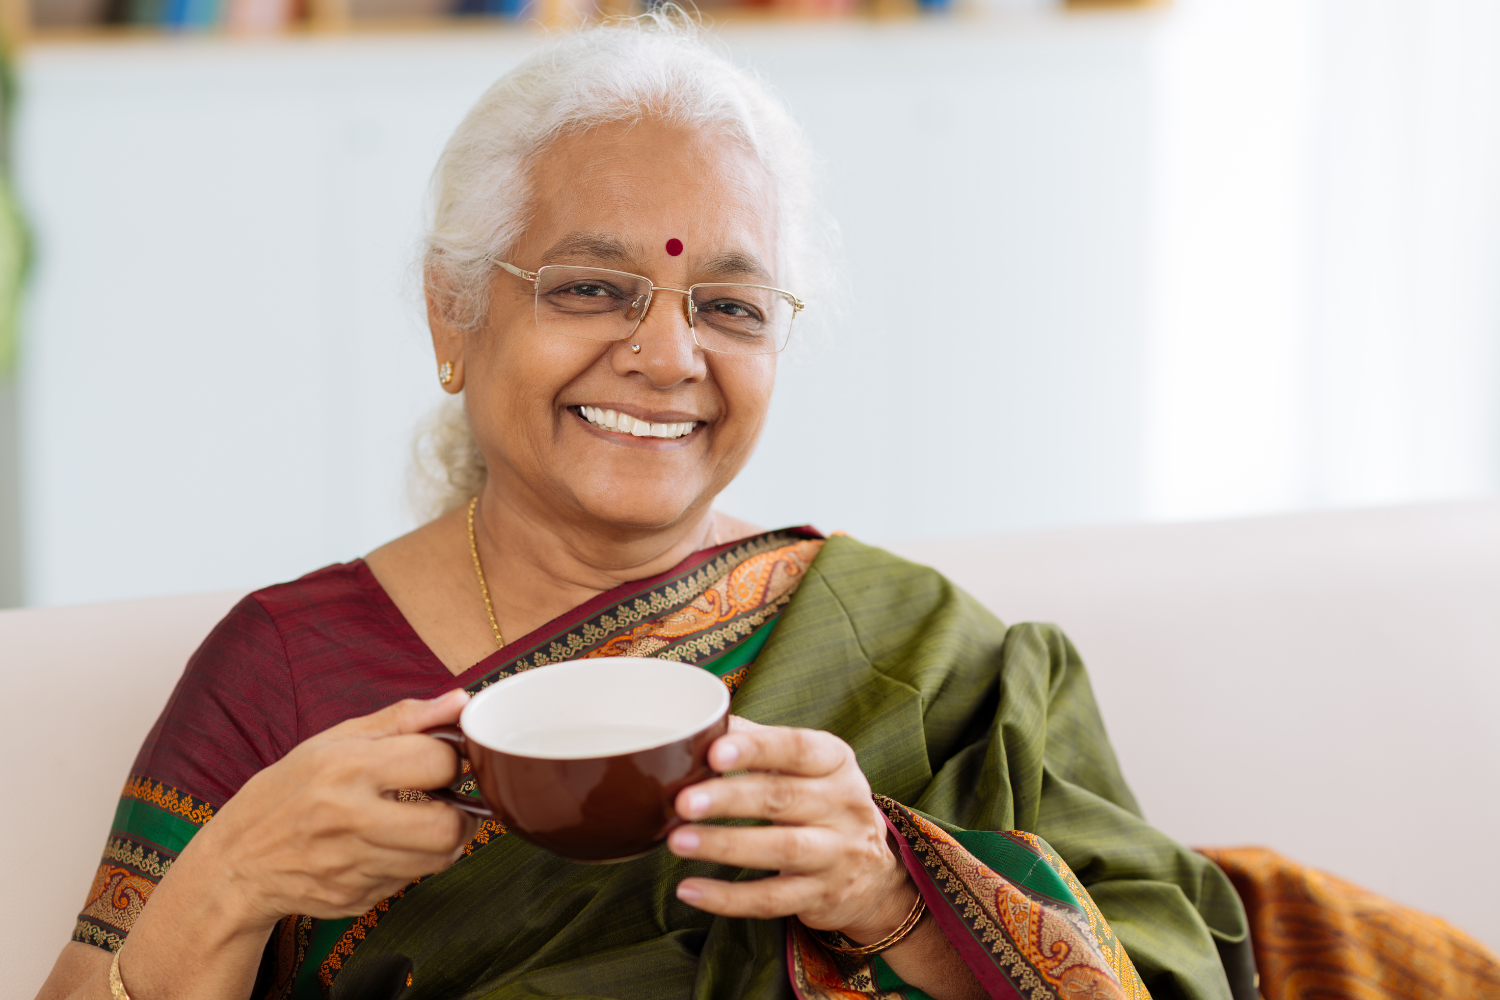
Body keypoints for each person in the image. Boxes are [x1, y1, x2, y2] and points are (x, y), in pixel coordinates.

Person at [35, 14, 1254, 1000]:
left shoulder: (916, 654)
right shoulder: (285, 672)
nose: (667, 355)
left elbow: (1165, 969)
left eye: (730, 307)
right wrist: (229, 884)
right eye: (592, 286)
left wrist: (893, 898)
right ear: (453, 315)